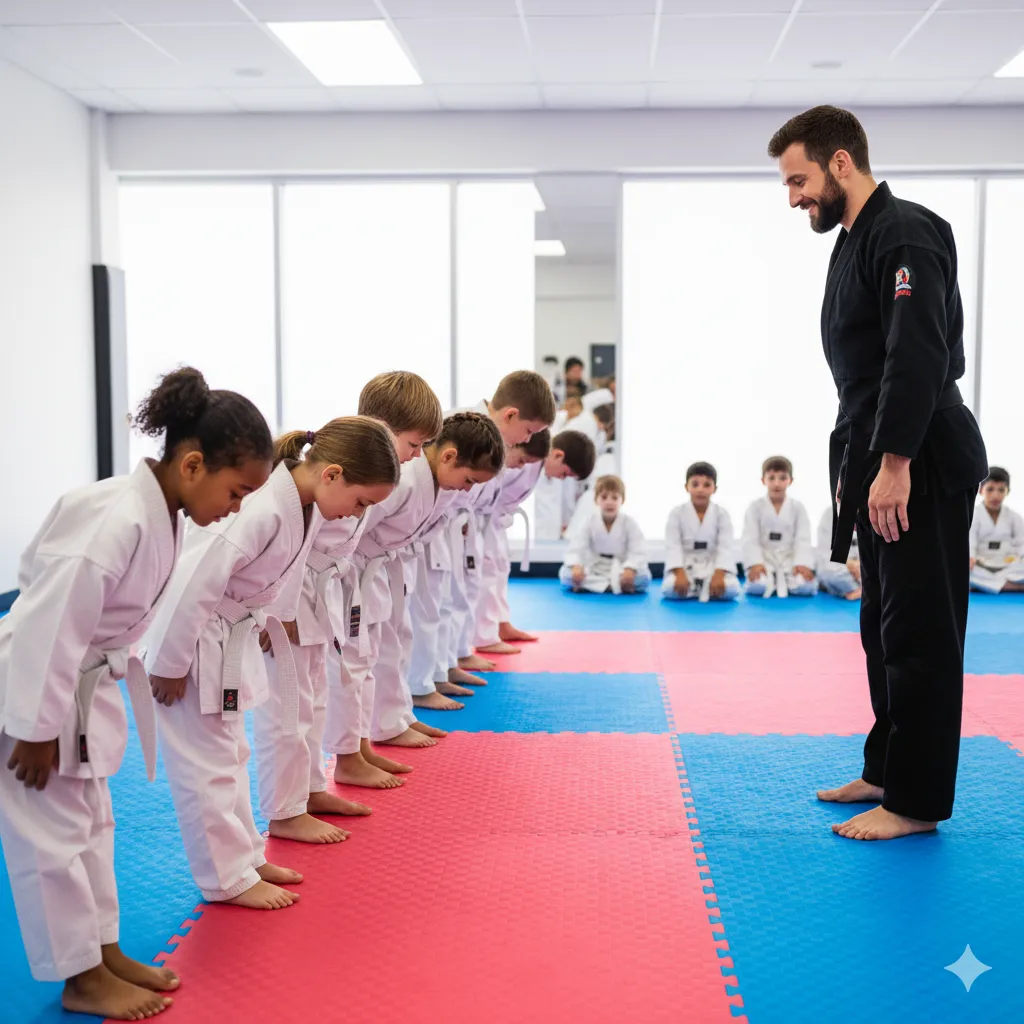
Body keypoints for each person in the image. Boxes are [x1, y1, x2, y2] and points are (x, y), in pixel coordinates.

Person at [0, 367, 272, 1020]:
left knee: (95, 823)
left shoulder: (159, 510)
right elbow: (49, 620)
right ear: (192, 463)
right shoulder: (115, 521)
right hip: (37, 692)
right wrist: (34, 731)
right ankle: (80, 977)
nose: (237, 508)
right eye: (236, 492)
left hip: (78, 685)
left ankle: (103, 949)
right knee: (56, 840)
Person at [769, 105, 988, 840]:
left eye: (798, 179)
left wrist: (893, 463)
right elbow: (860, 372)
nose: (793, 197)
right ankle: (888, 767)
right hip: (878, 449)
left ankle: (917, 802)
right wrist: (856, 466)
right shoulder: (857, 240)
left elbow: (916, 355)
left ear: (840, 164)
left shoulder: (904, 233)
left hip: (919, 453)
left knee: (921, 630)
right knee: (881, 624)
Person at [145, 417, 399, 906]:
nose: (356, 515)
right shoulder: (263, 508)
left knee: (232, 754)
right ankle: (226, 878)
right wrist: (170, 664)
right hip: (192, 641)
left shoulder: (300, 505)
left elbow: (281, 574)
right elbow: (193, 583)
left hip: (227, 635)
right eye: (361, 501)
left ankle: (247, 857)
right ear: (332, 474)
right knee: (208, 767)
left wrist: (276, 620)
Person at [280, 372, 443, 805]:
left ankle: (356, 749)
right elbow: (297, 543)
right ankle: (331, 770)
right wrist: (284, 607)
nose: (417, 456)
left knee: (354, 668)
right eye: (414, 444)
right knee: (316, 688)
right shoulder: (347, 469)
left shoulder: (381, 473)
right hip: (311, 586)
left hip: (342, 580)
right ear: (384, 428)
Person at [404, 415, 506, 710]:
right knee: (410, 625)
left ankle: (433, 676)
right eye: (469, 481)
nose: (467, 490)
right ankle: (417, 689)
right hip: (394, 557)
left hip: (425, 543)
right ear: (448, 456)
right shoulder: (409, 477)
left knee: (440, 607)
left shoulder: (442, 480)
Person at [473, 430, 596, 652]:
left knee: (500, 568)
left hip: (495, 521)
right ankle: (484, 637)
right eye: (565, 473)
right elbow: (485, 485)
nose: (562, 478)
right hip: (480, 518)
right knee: (488, 572)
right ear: (557, 455)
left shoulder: (535, 466)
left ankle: (501, 624)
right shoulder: (526, 461)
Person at [662, 462, 740, 602]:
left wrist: (719, 574)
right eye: (695, 484)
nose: (700, 489)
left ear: (714, 489)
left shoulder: (721, 514)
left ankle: (699, 589)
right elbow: (672, 545)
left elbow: (725, 546)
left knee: (732, 589)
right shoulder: (677, 513)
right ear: (687, 487)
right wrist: (679, 573)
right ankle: (703, 589)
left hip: (712, 565)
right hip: (686, 565)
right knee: (669, 588)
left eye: (706, 485)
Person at [560, 475, 650, 595]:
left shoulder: (629, 523)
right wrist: (576, 565)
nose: (609, 502)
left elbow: (638, 550)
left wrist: (631, 568)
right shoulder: (589, 521)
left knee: (644, 578)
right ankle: (614, 586)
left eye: (614, 498)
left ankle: (595, 586)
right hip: (594, 567)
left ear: (622, 500)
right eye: (604, 497)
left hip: (621, 569)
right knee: (565, 574)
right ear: (596, 500)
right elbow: (576, 548)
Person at [741, 456, 816, 598]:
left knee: (806, 587)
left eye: (782, 478)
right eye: (771, 478)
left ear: (790, 480)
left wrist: (801, 563)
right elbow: (750, 539)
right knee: (758, 586)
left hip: (789, 560)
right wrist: (756, 563)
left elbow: (803, 539)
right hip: (765, 560)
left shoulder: (798, 508)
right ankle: (770, 580)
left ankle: (783, 581)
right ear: (763, 480)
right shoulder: (755, 507)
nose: (777, 483)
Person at [969, 466, 1024, 594]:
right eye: (990, 489)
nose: (996, 495)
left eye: (1001, 490)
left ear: (1007, 491)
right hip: (980, 567)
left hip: (1009, 566)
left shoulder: (1014, 517)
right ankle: (1015, 587)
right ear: (980, 490)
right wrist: (970, 557)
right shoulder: (973, 516)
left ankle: (989, 586)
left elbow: (1021, 544)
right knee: (960, 572)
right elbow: (970, 542)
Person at [816, 508, 861, 600]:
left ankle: (855, 590)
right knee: (830, 573)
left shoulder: (870, 509)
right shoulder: (830, 514)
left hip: (863, 565)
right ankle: (859, 589)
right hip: (840, 565)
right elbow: (825, 551)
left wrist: (861, 564)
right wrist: (848, 563)